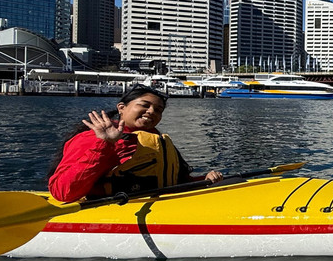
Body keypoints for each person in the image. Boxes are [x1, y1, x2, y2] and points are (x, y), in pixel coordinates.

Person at [48, 85, 223, 202]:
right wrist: (104, 144)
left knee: (233, 181)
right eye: (144, 105)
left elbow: (175, 182)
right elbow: (63, 192)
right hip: (117, 209)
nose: (151, 111)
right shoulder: (94, 137)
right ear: (121, 108)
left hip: (161, 204)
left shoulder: (156, 139)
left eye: (158, 110)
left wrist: (204, 180)